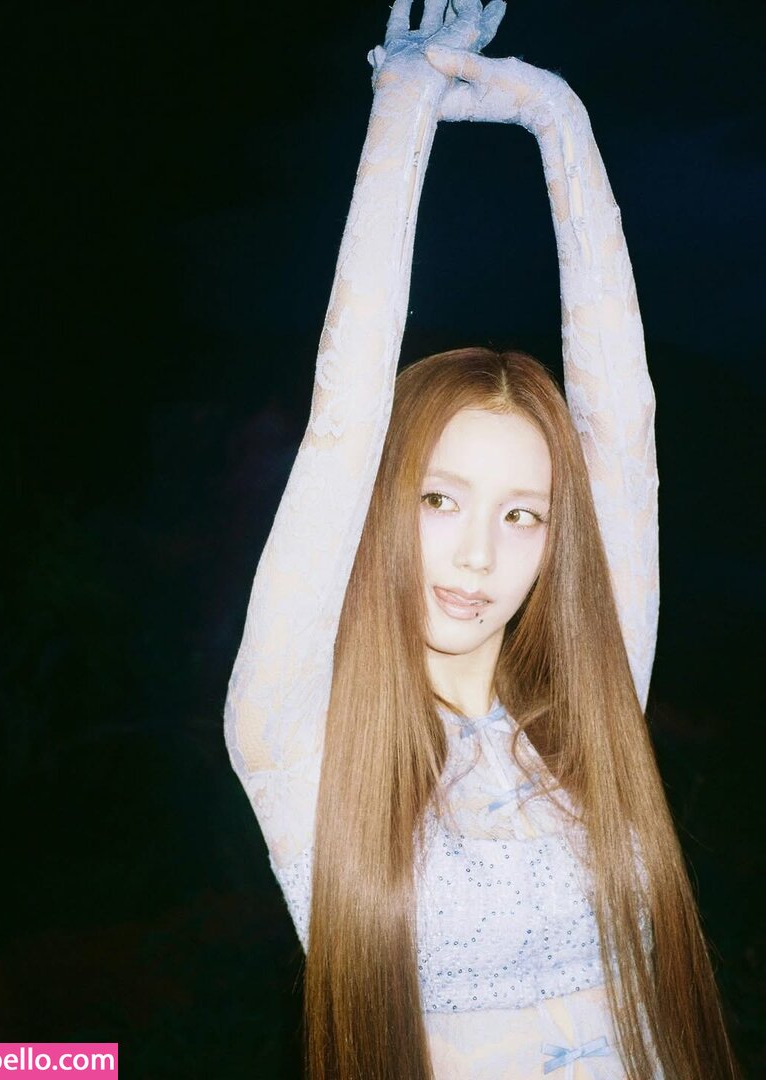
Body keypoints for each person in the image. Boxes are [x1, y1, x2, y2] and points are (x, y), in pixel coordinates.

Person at [224, 2, 739, 1077]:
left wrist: (560, 119)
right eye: (438, 500)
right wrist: (402, 111)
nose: (476, 556)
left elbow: (623, 431)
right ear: (385, 505)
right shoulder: (299, 738)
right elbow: (342, 426)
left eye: (521, 515)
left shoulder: (588, 717)